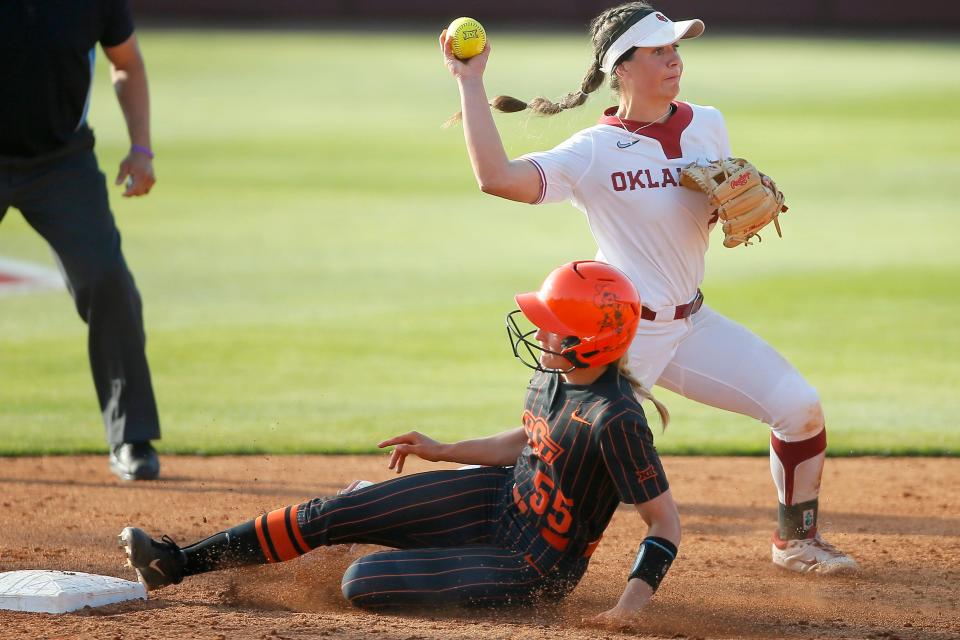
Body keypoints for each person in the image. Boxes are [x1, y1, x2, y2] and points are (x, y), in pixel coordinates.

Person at [440, 1, 856, 573]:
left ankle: (796, 542)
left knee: (799, 408)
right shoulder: (594, 150)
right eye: (658, 51)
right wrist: (471, 81)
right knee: (543, 451)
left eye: (676, 49)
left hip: (692, 324)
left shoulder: (707, 122)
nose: (674, 60)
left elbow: (704, 211)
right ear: (623, 67)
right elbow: (498, 178)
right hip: (620, 337)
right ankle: (402, 504)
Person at [120, 260, 680, 623]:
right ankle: (177, 563)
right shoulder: (552, 375)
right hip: (496, 499)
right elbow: (529, 442)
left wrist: (628, 608)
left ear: (591, 340)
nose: (538, 331)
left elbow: (664, 523)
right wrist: (444, 450)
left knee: (361, 581)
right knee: (331, 512)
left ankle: (426, 548)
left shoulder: (617, 419)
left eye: (552, 323)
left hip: (532, 561)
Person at [0, 1, 162, 480]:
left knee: (107, 279)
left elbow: (126, 62)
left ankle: (132, 437)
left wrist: (141, 149)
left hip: (60, 164)